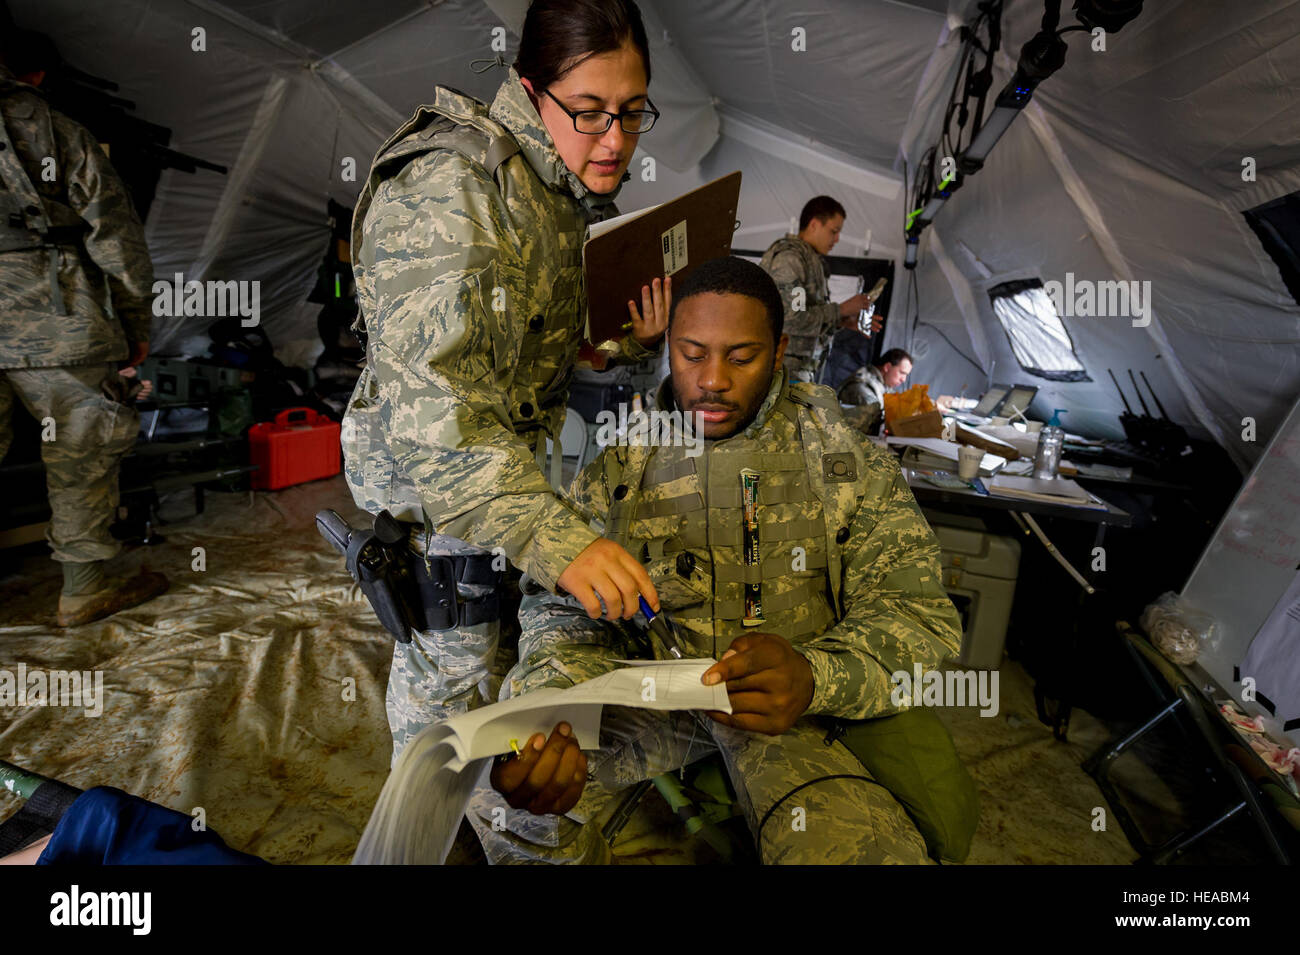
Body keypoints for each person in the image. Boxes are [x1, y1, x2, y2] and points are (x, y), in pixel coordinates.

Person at [471, 257, 963, 864]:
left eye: (741, 356)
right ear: (667, 349)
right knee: (501, 797)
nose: (712, 380)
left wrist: (815, 676)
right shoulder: (622, 464)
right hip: (655, 695)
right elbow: (558, 608)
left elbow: (921, 619)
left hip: (787, 712)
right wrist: (549, 706)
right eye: (692, 353)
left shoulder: (846, 463)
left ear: (779, 350)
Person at [343, 0, 671, 757]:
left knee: (497, 702)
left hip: (505, 488)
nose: (615, 141)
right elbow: (436, 419)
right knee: (444, 730)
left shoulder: (549, 192)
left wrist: (627, 347)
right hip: (443, 509)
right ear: (530, 87)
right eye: (589, 112)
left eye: (632, 112)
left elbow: (527, 355)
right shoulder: (451, 189)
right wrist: (560, 540)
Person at [0, 40, 167, 627]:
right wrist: (134, 324)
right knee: (80, 457)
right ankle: (84, 588)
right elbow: (115, 237)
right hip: (56, 322)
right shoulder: (56, 130)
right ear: (34, 74)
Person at [759, 195, 882, 384]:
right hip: (781, 376)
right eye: (834, 231)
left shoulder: (810, 260)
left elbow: (805, 314)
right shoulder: (790, 259)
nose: (837, 239)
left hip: (798, 375)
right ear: (814, 224)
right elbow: (792, 319)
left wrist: (841, 321)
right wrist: (840, 310)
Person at [838, 347, 913, 434]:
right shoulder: (862, 386)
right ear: (887, 367)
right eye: (902, 373)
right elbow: (873, 424)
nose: (903, 379)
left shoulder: (884, 387)